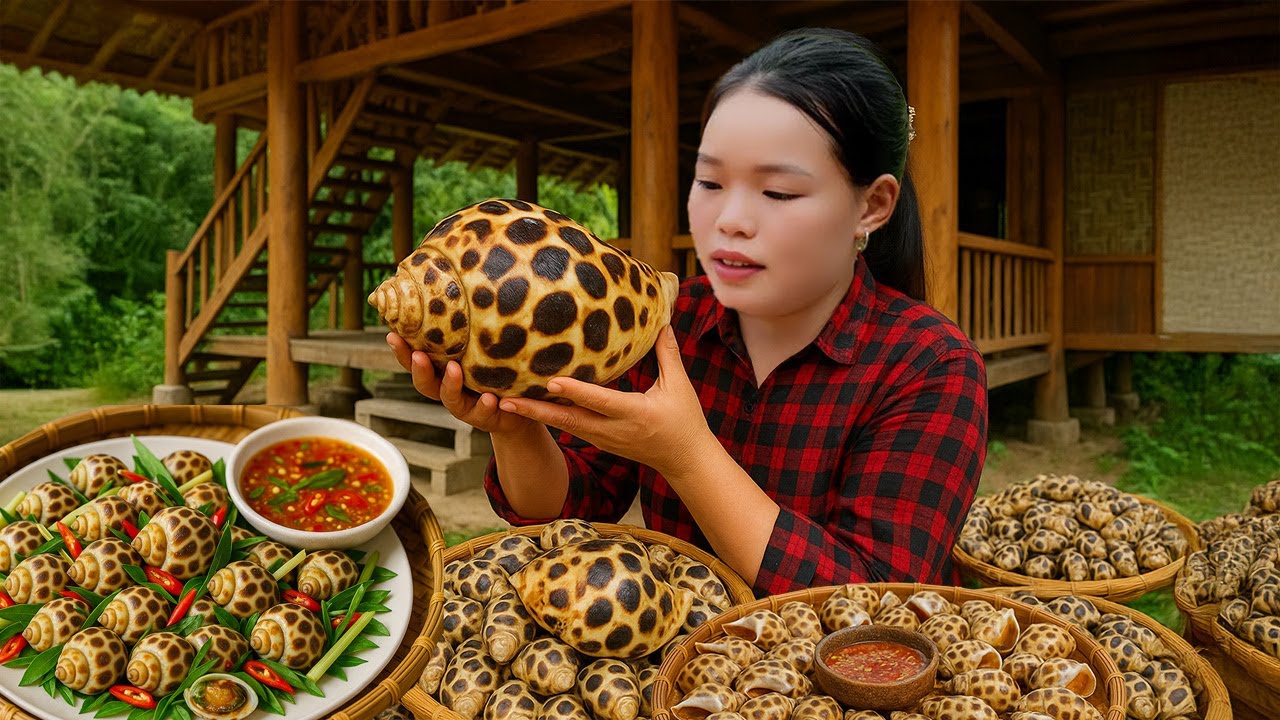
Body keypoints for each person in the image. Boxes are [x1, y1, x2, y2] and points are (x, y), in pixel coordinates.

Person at [386, 28, 987, 597]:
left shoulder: (931, 365)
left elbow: (876, 602)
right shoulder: (676, 322)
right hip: (672, 675)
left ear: (871, 205)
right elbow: (572, 507)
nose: (732, 219)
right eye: (713, 183)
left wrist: (687, 454)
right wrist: (517, 424)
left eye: (777, 190)